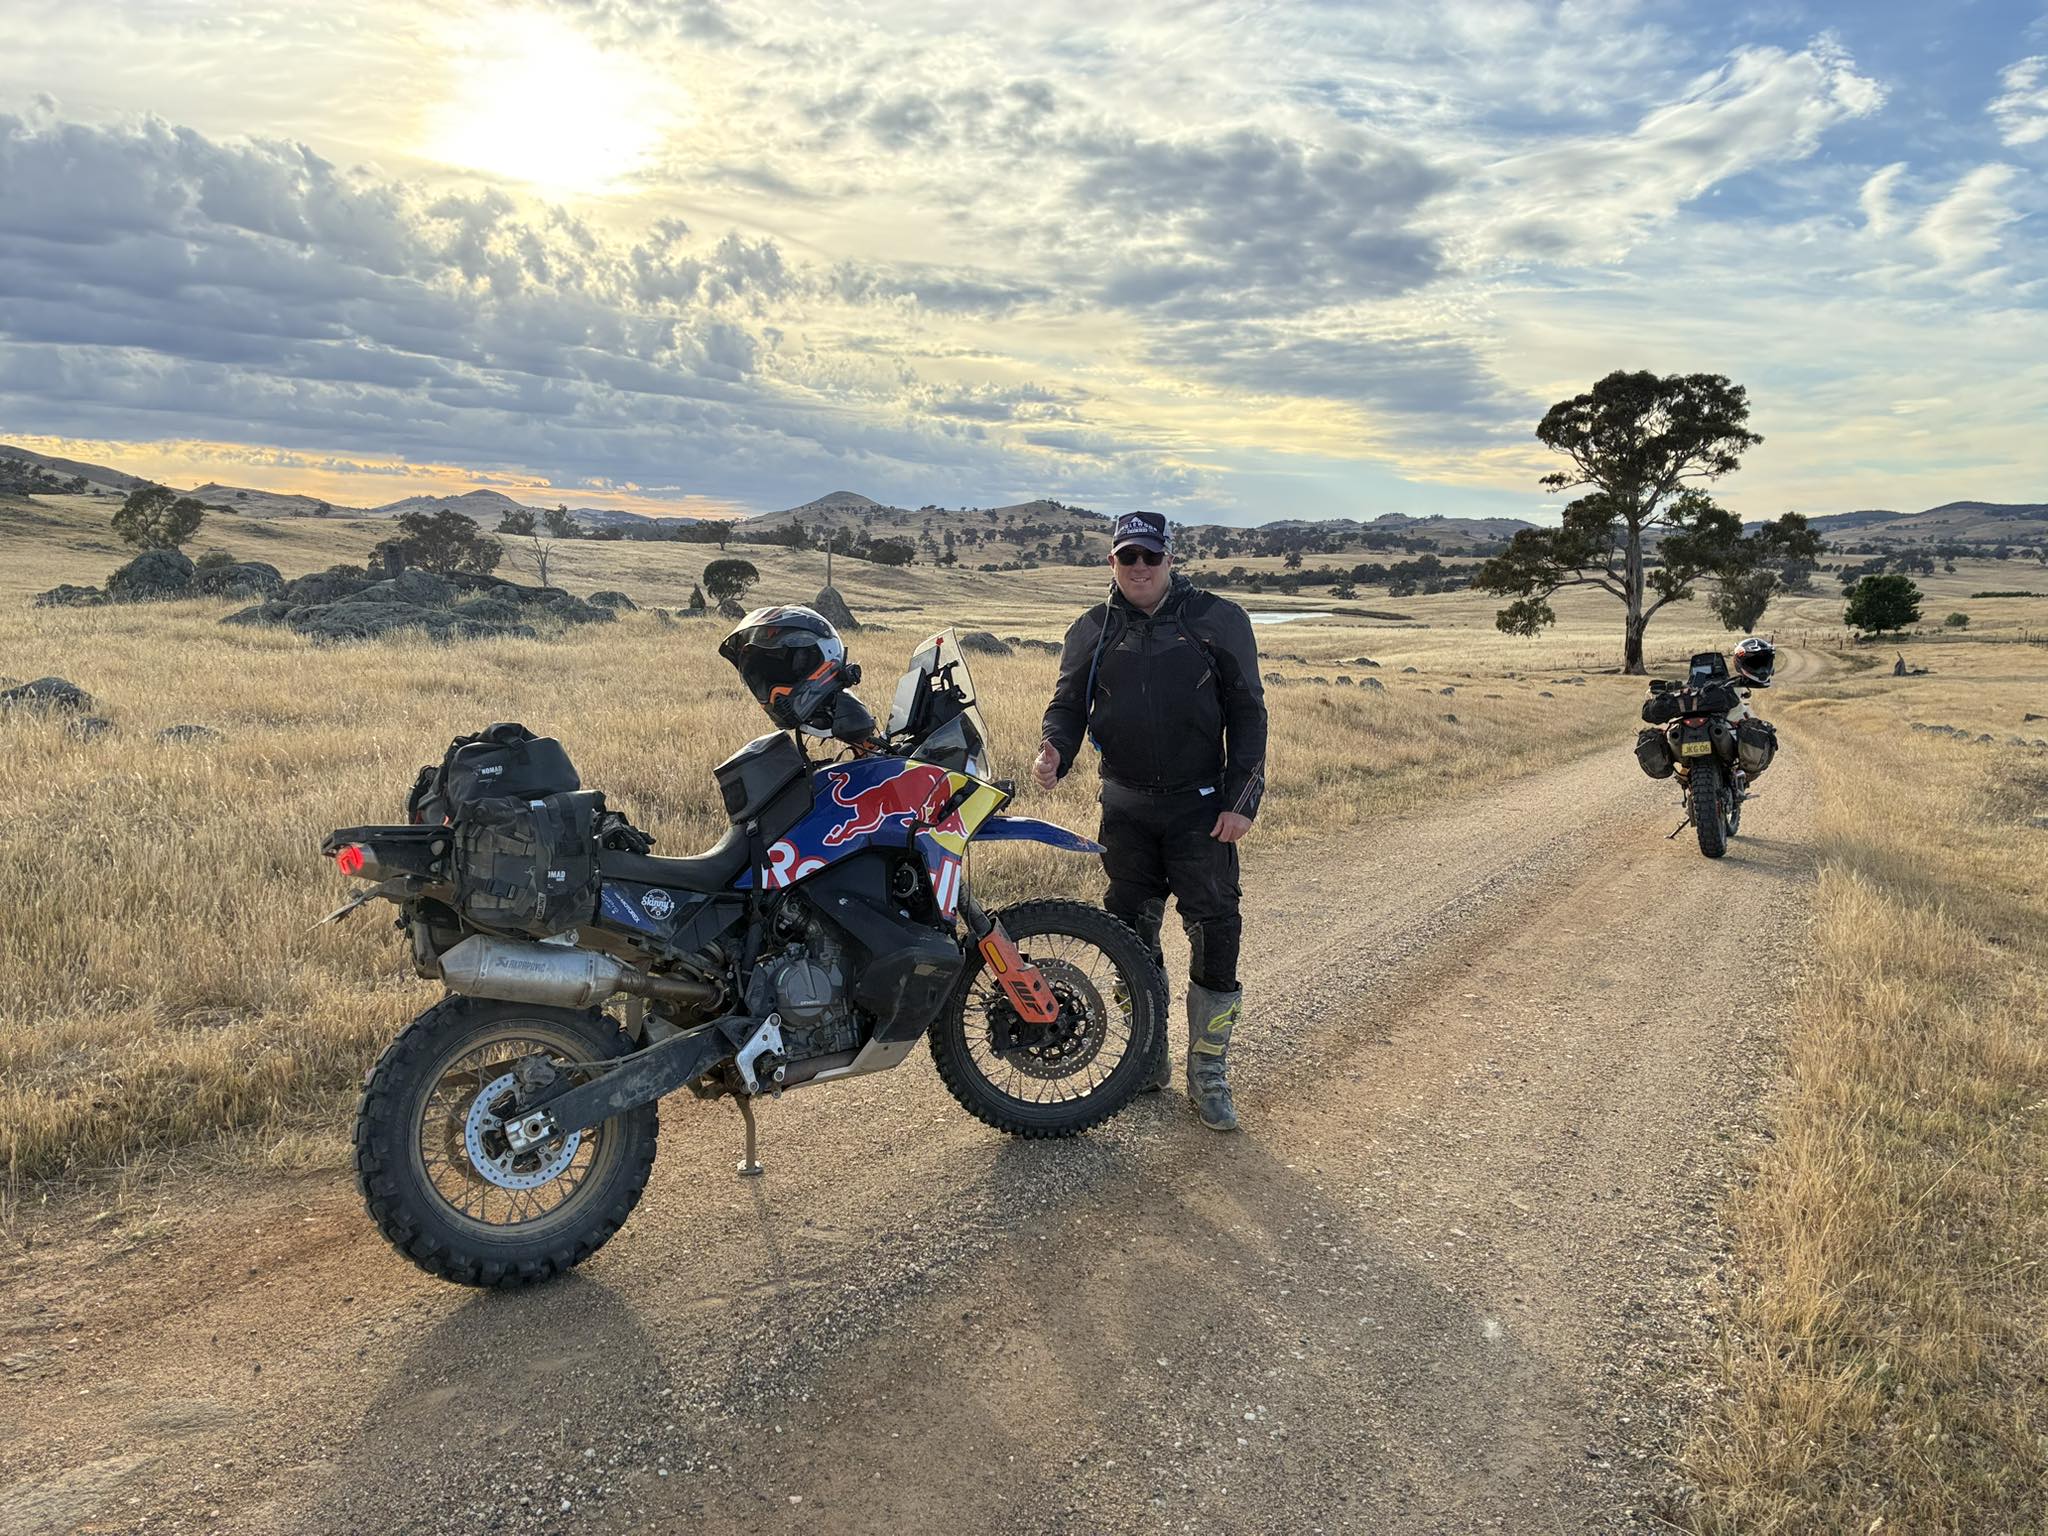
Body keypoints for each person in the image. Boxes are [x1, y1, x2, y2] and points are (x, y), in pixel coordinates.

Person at [1031, 510, 1267, 1131]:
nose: (1138, 568)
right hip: (1126, 810)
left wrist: (1242, 799)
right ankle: (1149, 1055)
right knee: (1130, 938)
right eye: (1126, 558)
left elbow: (1248, 713)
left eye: (1149, 558)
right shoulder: (1091, 628)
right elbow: (1066, 704)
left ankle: (1209, 1074)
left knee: (1216, 934)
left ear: (1170, 560)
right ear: (1112, 562)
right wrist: (1055, 748)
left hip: (1201, 809)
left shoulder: (1218, 619)